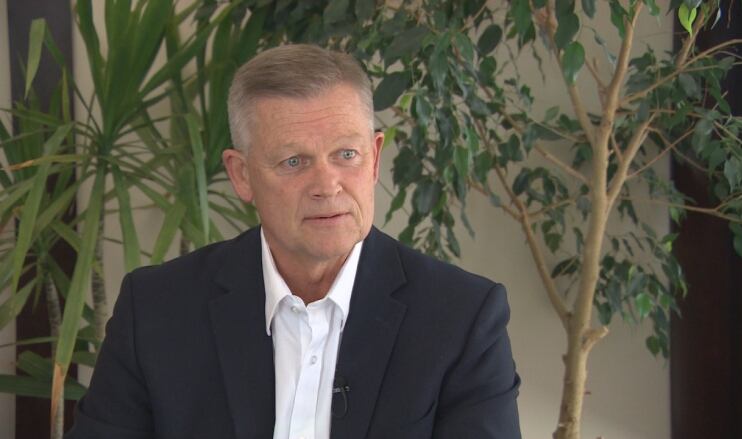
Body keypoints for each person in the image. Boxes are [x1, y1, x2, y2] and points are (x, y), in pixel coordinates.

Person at [66, 44, 521, 439]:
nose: (327, 185)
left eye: (347, 155)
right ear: (241, 175)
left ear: (376, 157)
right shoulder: (156, 310)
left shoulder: (462, 319)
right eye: (293, 161)